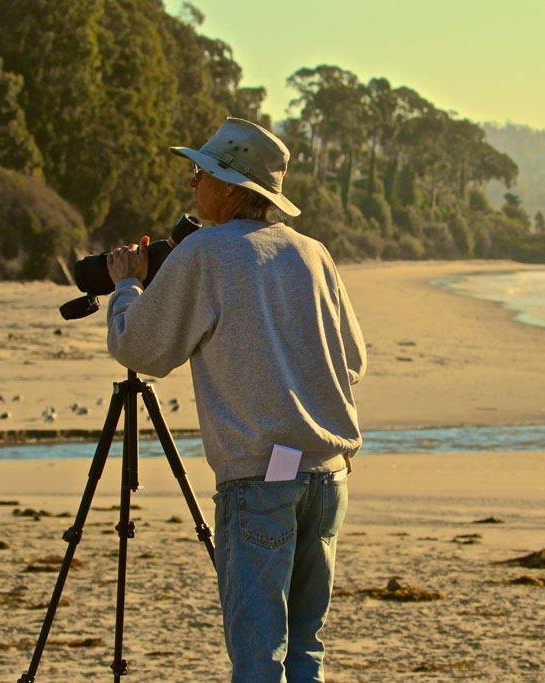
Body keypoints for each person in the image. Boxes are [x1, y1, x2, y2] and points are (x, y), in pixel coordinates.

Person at [104, 117, 366, 682]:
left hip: (261, 477)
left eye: (199, 175)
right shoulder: (314, 254)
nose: (192, 186)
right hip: (328, 473)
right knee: (304, 653)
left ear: (230, 187)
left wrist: (128, 286)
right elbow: (354, 362)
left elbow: (140, 348)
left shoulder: (206, 252)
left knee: (257, 657)